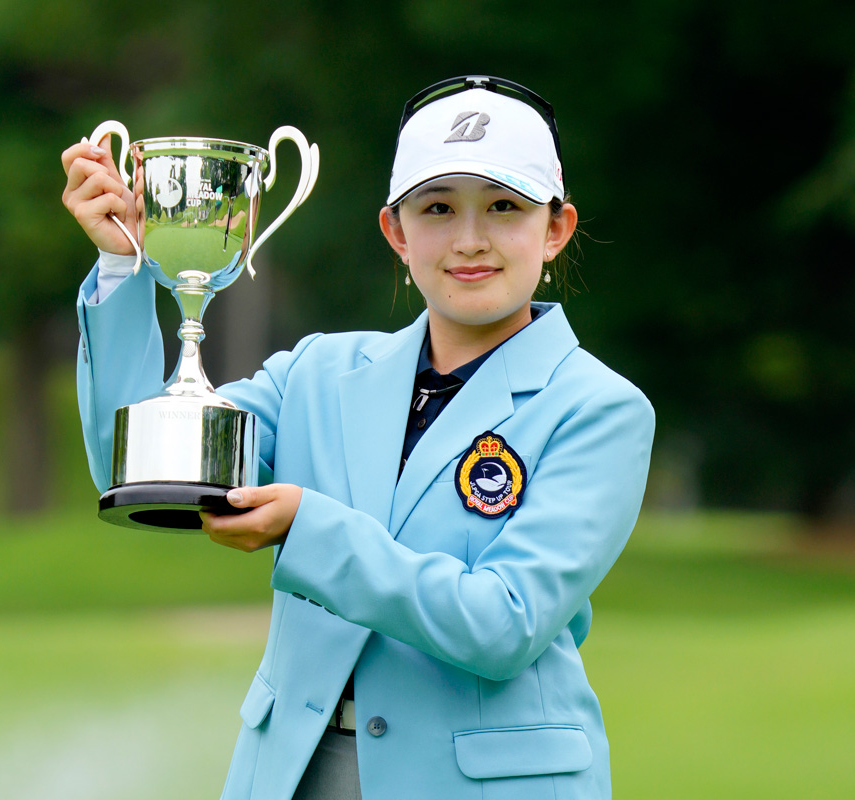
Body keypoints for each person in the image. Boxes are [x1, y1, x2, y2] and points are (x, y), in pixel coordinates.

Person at [61, 75, 655, 800]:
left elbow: (504, 624)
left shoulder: (599, 408)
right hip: (293, 773)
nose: (471, 239)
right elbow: (145, 462)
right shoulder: (316, 373)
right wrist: (123, 265)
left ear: (555, 229)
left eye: (504, 207)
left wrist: (310, 529)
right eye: (438, 208)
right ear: (396, 232)